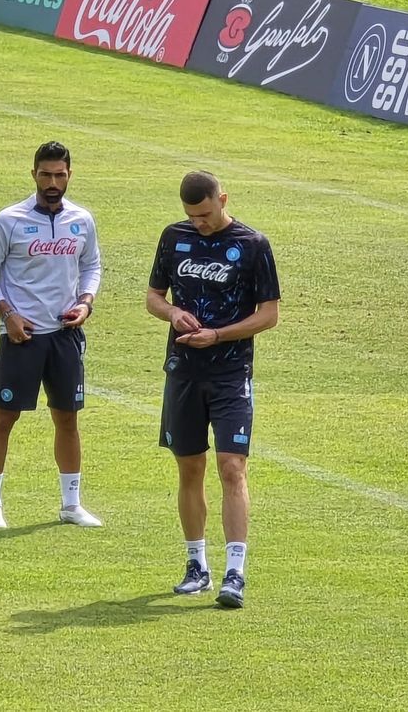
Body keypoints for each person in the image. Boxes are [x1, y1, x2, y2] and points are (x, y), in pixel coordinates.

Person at [146, 171, 281, 609]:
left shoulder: (253, 245)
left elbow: (268, 315)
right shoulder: (174, 237)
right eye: (192, 216)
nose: (199, 223)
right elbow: (153, 297)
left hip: (230, 374)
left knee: (231, 467)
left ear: (222, 199)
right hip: (183, 371)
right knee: (189, 469)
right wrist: (173, 313)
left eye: (205, 214)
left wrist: (219, 336)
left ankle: (235, 573)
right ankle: (195, 566)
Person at [0, 141, 103, 530]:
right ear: (33, 174)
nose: (52, 182)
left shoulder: (81, 219)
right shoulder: (9, 220)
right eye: (45, 175)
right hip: (22, 337)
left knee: (68, 419)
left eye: (59, 175)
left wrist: (85, 302)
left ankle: (71, 504)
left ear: (69, 175)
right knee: (4, 417)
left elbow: (92, 264)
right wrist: (7, 313)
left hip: (64, 336)